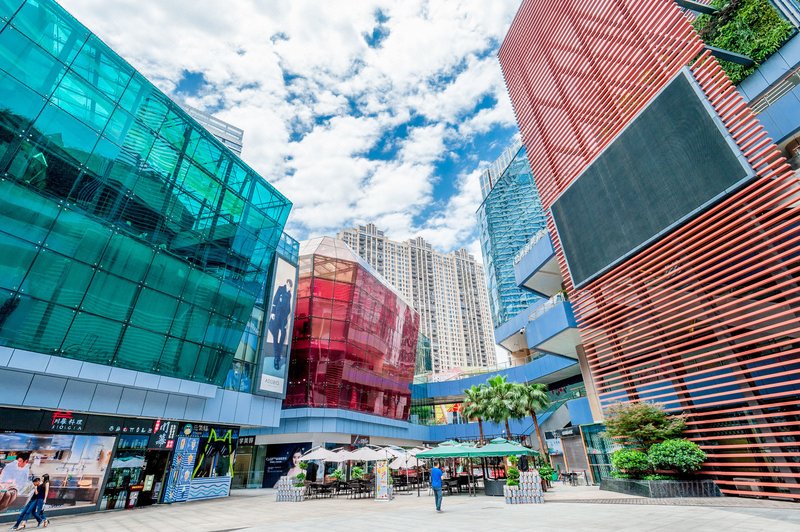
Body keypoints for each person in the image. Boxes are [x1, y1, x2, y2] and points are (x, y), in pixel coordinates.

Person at [268, 279, 293, 370]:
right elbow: (275, 301)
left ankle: (277, 355)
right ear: (286, 283)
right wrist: (273, 313)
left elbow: (288, 307)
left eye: (290, 286)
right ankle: (276, 358)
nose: (289, 288)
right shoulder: (280, 289)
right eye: (289, 285)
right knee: (275, 335)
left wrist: (287, 319)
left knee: (283, 334)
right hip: (277, 315)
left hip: (283, 317)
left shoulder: (289, 294)